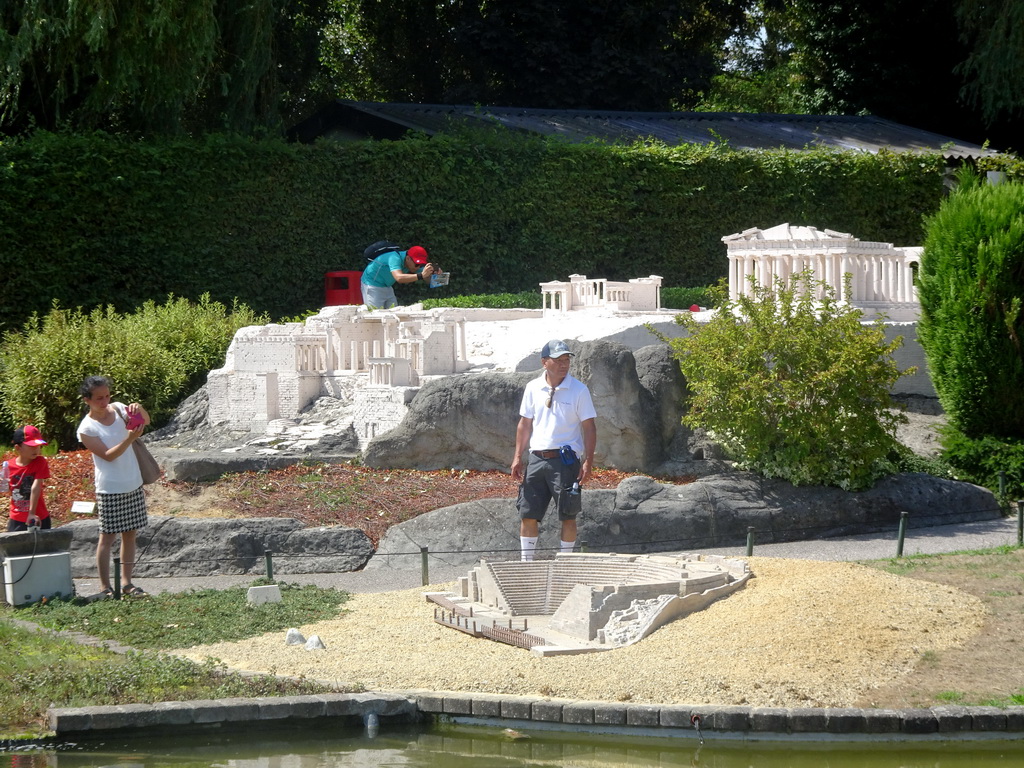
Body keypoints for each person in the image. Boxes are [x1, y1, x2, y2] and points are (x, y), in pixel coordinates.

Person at [510, 339, 597, 561]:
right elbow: (525, 423)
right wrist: (518, 457)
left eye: (566, 359)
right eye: (558, 360)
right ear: (544, 362)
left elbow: (589, 427)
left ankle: (565, 562)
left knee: (568, 514)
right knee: (528, 513)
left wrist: (588, 461)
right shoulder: (532, 388)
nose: (564, 364)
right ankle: (526, 563)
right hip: (537, 458)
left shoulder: (579, 389)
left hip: (566, 461)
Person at [77, 375, 151, 598]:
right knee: (106, 538)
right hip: (110, 488)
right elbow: (108, 456)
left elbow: (145, 422)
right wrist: (128, 439)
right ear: (86, 400)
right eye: (99, 398)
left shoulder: (119, 409)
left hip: (133, 481)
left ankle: (127, 583)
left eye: (107, 395)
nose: (105, 401)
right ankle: (104, 587)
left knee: (130, 534)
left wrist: (140, 410)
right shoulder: (86, 428)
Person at [360, 244, 439, 309]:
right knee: (375, 317)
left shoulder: (411, 263)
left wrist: (438, 276)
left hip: (387, 286)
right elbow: (399, 278)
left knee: (394, 315)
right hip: (372, 286)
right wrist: (421, 275)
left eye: (421, 264)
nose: (418, 267)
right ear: (408, 258)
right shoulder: (394, 258)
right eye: (417, 264)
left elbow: (431, 281)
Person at [5, 425, 51, 532]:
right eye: (31, 446)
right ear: (18, 448)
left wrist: (31, 513)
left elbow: (36, 487)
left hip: (38, 516)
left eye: (38, 446)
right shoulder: (8, 466)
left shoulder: (40, 462)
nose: (36, 449)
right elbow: (7, 488)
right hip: (17, 517)